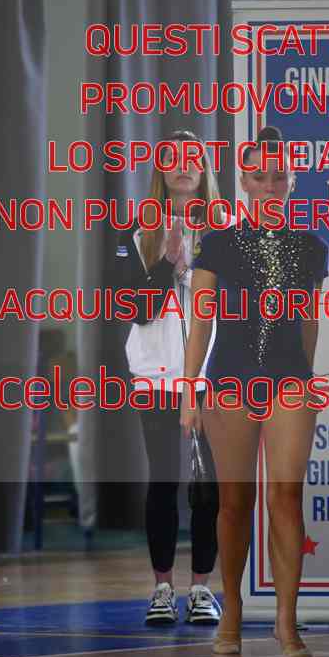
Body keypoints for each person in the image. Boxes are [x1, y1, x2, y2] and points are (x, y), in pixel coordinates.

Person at [180, 126, 329, 657]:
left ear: (292, 182)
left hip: (289, 381)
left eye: (278, 178)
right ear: (243, 181)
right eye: (259, 177)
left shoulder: (311, 247)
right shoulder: (218, 244)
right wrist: (190, 392)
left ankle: (287, 621)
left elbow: (308, 322)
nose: (269, 186)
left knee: (286, 497)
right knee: (235, 501)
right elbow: (201, 322)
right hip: (230, 381)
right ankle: (233, 610)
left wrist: (304, 379)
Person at [116, 129, 225, 626]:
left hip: (211, 377)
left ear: (204, 169)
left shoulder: (226, 229)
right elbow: (134, 309)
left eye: (192, 158)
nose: (183, 166)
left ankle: (202, 588)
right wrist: (167, 261)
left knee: (209, 486)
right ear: (160, 169)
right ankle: (162, 588)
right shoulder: (137, 230)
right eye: (173, 158)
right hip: (156, 378)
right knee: (163, 480)